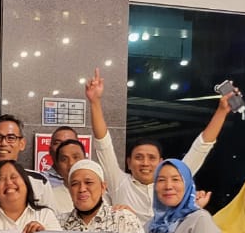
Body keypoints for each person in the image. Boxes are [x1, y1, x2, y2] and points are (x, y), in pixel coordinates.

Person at [84, 68, 234, 213]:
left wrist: (222, 111)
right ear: (129, 162)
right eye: (138, 157)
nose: (145, 163)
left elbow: (201, 148)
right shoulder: (118, 182)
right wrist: (95, 102)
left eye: (151, 158)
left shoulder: (171, 185)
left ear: (161, 162)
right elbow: (103, 144)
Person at [48, 138, 88, 214]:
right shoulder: (50, 197)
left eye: (76, 157)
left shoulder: (101, 194)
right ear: (57, 165)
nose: (71, 163)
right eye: (64, 159)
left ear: (85, 160)